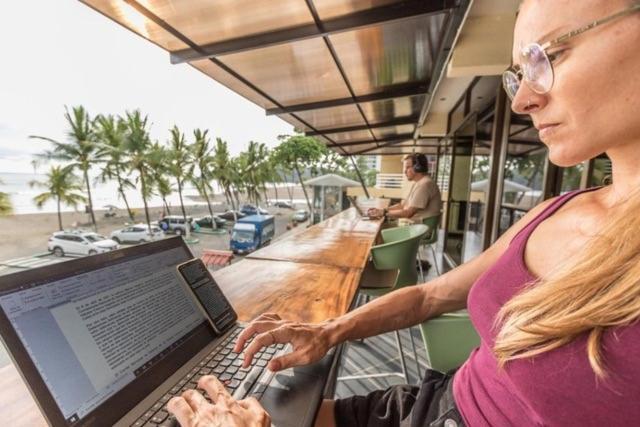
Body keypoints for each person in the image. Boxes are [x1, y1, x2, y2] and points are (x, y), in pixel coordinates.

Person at [167, 1, 640, 425]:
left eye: (550, 55)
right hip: (433, 402)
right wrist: (327, 331)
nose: (521, 101)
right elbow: (429, 298)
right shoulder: (555, 210)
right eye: (519, 74)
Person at [367, 153, 442, 223]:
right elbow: (402, 205)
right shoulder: (418, 183)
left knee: (380, 232)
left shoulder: (424, 185)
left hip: (418, 231)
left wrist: (383, 213)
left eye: (408, 167)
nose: (404, 171)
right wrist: (383, 210)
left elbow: (408, 213)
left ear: (418, 168)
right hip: (414, 227)